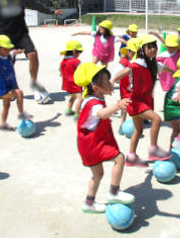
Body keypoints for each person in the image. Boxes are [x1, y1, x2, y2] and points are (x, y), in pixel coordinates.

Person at [73, 62, 134, 213]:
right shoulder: (94, 104)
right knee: (119, 159)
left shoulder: (92, 97)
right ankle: (114, 192)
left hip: (87, 144)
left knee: (97, 174)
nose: (110, 83)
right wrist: (118, 105)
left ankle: (89, 203)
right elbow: (101, 113)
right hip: (93, 144)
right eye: (107, 82)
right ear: (95, 88)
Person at [111, 34, 172, 167]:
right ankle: (153, 149)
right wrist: (113, 80)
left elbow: (163, 67)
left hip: (143, 101)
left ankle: (131, 157)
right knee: (157, 119)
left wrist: (174, 72)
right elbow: (126, 70)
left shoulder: (152, 63)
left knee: (138, 130)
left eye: (154, 47)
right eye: (149, 47)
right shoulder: (137, 64)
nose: (153, 49)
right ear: (141, 50)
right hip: (135, 102)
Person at [115, 38, 139, 126]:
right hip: (126, 89)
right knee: (126, 108)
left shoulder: (137, 62)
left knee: (132, 107)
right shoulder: (124, 62)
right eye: (132, 52)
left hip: (132, 89)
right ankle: (122, 125)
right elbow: (116, 73)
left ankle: (131, 125)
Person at [60, 40, 83, 119]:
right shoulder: (76, 61)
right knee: (81, 98)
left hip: (67, 83)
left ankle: (69, 110)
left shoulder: (63, 61)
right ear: (74, 52)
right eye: (79, 52)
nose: (79, 54)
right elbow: (81, 71)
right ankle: (77, 114)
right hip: (74, 83)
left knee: (73, 96)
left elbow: (60, 69)